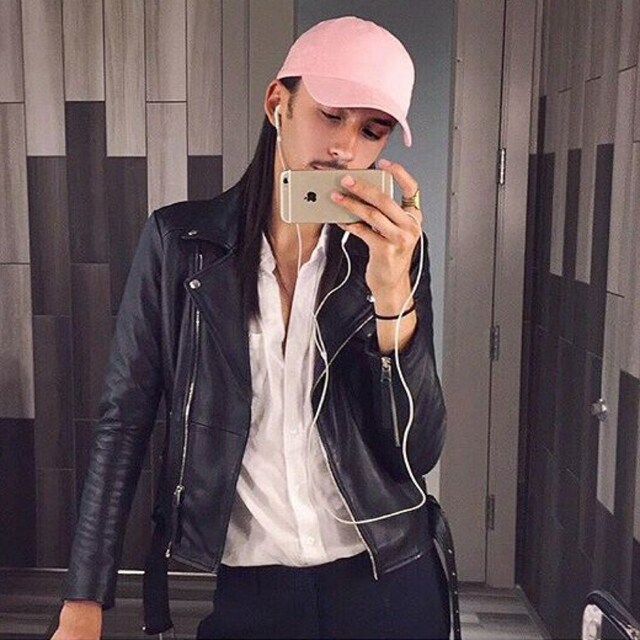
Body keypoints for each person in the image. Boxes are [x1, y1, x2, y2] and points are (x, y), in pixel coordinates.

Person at [52, 15, 449, 640]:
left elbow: (417, 450)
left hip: (390, 580)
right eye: (330, 115)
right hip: (253, 591)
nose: (345, 148)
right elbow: (124, 419)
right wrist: (85, 598)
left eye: (371, 131)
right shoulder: (181, 245)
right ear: (277, 104)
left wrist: (392, 295)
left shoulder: (394, 255)